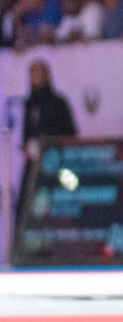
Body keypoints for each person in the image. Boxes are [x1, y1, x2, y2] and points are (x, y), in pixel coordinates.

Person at [15, 60, 76, 230]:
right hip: (34, 167)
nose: (36, 79)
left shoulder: (58, 104)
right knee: (27, 207)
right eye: (32, 75)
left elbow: (70, 134)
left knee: (54, 208)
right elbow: (28, 133)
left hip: (55, 166)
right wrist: (28, 148)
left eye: (39, 74)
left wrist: (49, 146)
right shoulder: (29, 104)